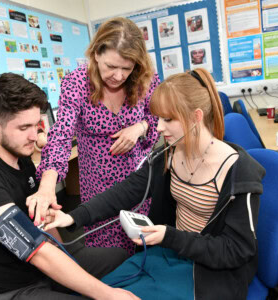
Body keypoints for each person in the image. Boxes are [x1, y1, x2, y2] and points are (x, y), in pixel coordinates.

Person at [45, 68, 266, 299]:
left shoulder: (239, 171)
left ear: (196, 117)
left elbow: (236, 250)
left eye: (168, 119)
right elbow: (125, 192)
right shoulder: (169, 155)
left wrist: (168, 236)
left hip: (209, 271)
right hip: (169, 254)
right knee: (98, 293)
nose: (158, 127)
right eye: (158, 118)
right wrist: (73, 217)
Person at [0, 73, 139, 300]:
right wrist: (107, 294)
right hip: (12, 289)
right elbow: (35, 250)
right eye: (24, 128)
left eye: (37, 125)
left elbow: (41, 222)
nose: (35, 136)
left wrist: (68, 258)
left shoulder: (22, 160)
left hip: (40, 267)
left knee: (120, 258)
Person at [29, 17, 160, 255]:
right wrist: (47, 185)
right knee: (107, 256)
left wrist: (140, 127)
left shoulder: (146, 80)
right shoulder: (77, 83)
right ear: (96, 54)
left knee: (145, 248)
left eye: (127, 68)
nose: (119, 76)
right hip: (98, 187)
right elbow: (61, 134)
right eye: (111, 66)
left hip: (139, 183)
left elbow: (159, 118)